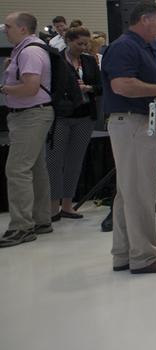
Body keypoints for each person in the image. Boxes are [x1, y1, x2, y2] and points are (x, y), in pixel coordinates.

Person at [99, 1, 156, 273]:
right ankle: (144, 256)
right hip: (133, 124)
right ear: (144, 20)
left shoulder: (140, 47)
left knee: (128, 193)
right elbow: (121, 85)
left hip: (137, 122)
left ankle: (125, 253)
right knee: (140, 193)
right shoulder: (125, 47)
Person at [1, 12, 56, 248]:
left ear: (23, 29)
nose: (5, 29)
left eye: (9, 26)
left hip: (31, 115)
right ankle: (40, 219)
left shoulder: (31, 52)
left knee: (17, 170)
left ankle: (21, 226)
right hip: (32, 115)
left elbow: (30, 88)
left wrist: (4, 89)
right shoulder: (26, 50)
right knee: (34, 168)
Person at [47, 27, 102, 220]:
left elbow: (101, 86)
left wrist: (89, 88)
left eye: (86, 44)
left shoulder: (89, 61)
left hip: (85, 117)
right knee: (54, 162)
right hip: (62, 116)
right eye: (79, 44)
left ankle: (68, 205)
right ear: (68, 41)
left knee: (74, 162)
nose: (84, 47)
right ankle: (53, 206)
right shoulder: (57, 60)